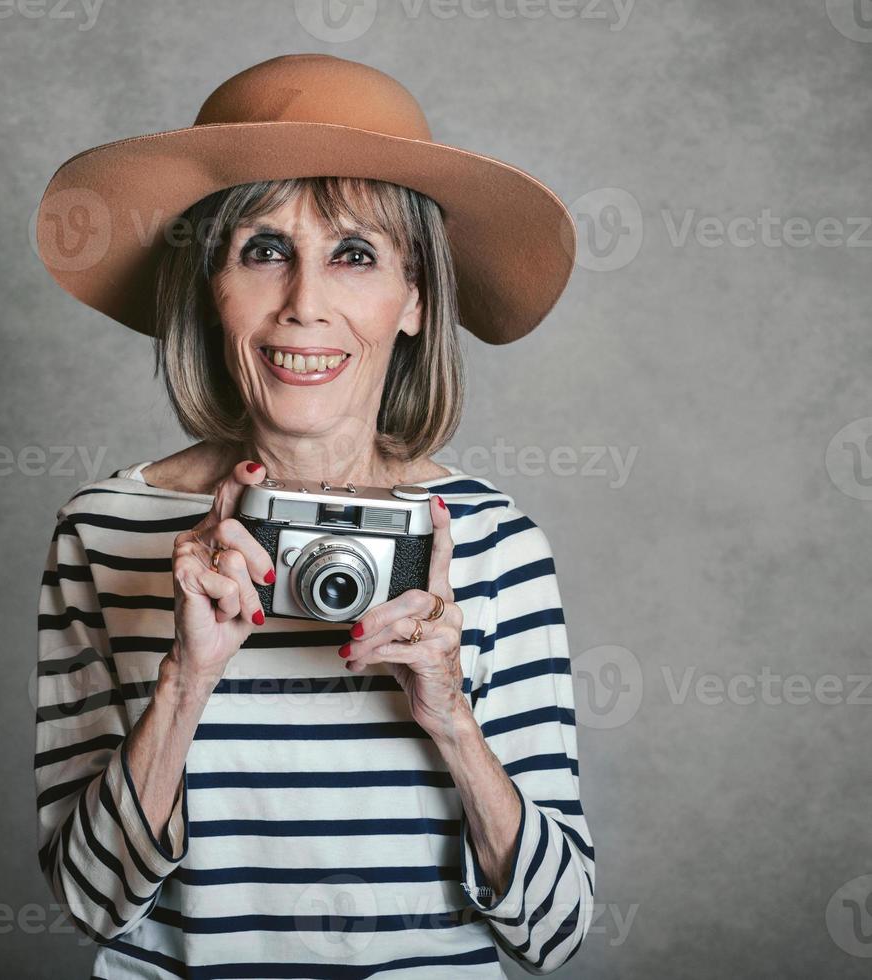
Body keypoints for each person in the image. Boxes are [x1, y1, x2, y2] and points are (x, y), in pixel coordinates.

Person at [31, 54, 594, 977]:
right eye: (263, 250)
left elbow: (556, 930)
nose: (304, 304)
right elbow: (93, 902)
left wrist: (450, 718)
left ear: (413, 299)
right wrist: (184, 682)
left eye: (355, 254)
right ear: (211, 288)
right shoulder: (105, 530)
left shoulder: (494, 542)